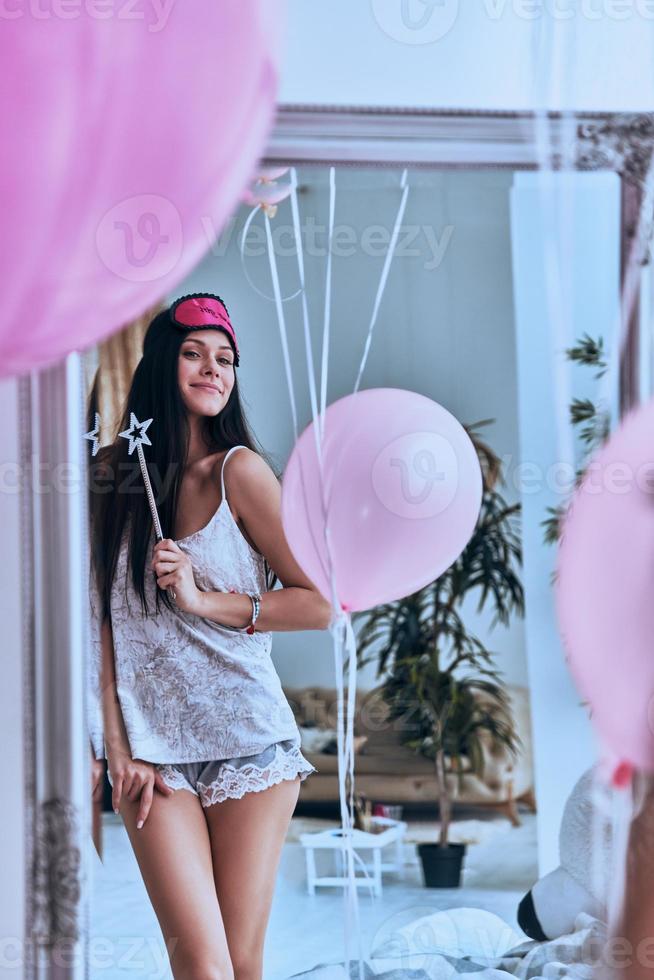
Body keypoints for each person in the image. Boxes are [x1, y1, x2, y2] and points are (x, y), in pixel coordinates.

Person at [88, 293, 333, 980]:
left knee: (241, 961)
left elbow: (319, 604)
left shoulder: (240, 473)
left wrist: (201, 598)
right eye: (194, 353)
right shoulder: (110, 479)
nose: (213, 369)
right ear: (163, 365)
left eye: (225, 358)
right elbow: (96, 627)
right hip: (154, 755)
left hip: (248, 740)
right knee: (199, 961)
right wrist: (116, 750)